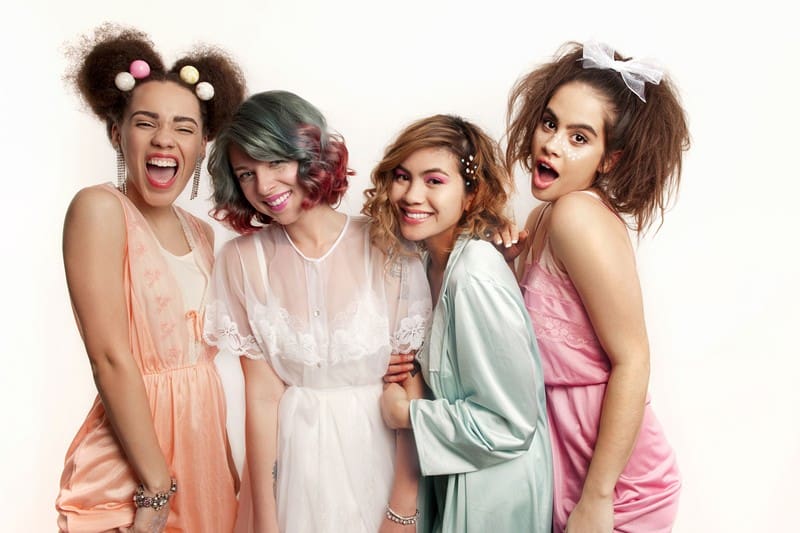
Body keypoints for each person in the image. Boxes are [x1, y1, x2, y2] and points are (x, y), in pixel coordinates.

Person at [203, 90, 431, 533]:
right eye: (246, 173)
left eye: (275, 162)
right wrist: (265, 519)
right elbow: (262, 398)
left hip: (383, 460)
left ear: (310, 154)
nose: (263, 187)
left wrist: (403, 508)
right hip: (295, 470)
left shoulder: (388, 244)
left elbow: (411, 384)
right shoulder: (241, 261)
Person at [55, 24, 246, 532]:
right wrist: (156, 484)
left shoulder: (202, 234)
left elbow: (202, 368)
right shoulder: (99, 209)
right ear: (117, 134)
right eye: (146, 122)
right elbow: (109, 358)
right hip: (136, 467)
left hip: (204, 458)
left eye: (184, 127)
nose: (165, 138)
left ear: (203, 143)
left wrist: (226, 469)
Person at [504, 41, 689, 532]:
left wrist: (598, 496)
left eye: (579, 137)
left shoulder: (576, 216)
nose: (552, 144)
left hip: (618, 489)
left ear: (609, 160)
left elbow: (633, 359)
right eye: (550, 123)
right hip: (562, 470)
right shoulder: (542, 217)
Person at [364, 114, 554, 533]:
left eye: (434, 181)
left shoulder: (473, 276)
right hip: (457, 475)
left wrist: (407, 414)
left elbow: (511, 423)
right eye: (402, 176)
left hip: (494, 495)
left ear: (471, 195)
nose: (412, 195)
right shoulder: (424, 261)